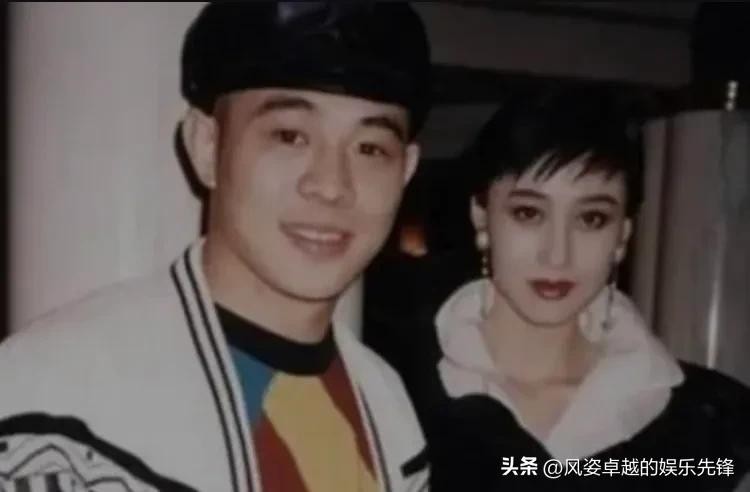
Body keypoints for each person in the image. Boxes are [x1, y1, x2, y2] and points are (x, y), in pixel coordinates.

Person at [0, 3, 431, 491]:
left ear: (406, 171)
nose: (331, 185)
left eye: (370, 148)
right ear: (207, 146)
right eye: (290, 136)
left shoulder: (388, 407)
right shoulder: (57, 400)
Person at [400, 86, 750, 491]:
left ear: (623, 234)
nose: (558, 255)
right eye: (528, 213)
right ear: (481, 216)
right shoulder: (395, 391)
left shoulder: (714, 425)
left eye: (591, 219)